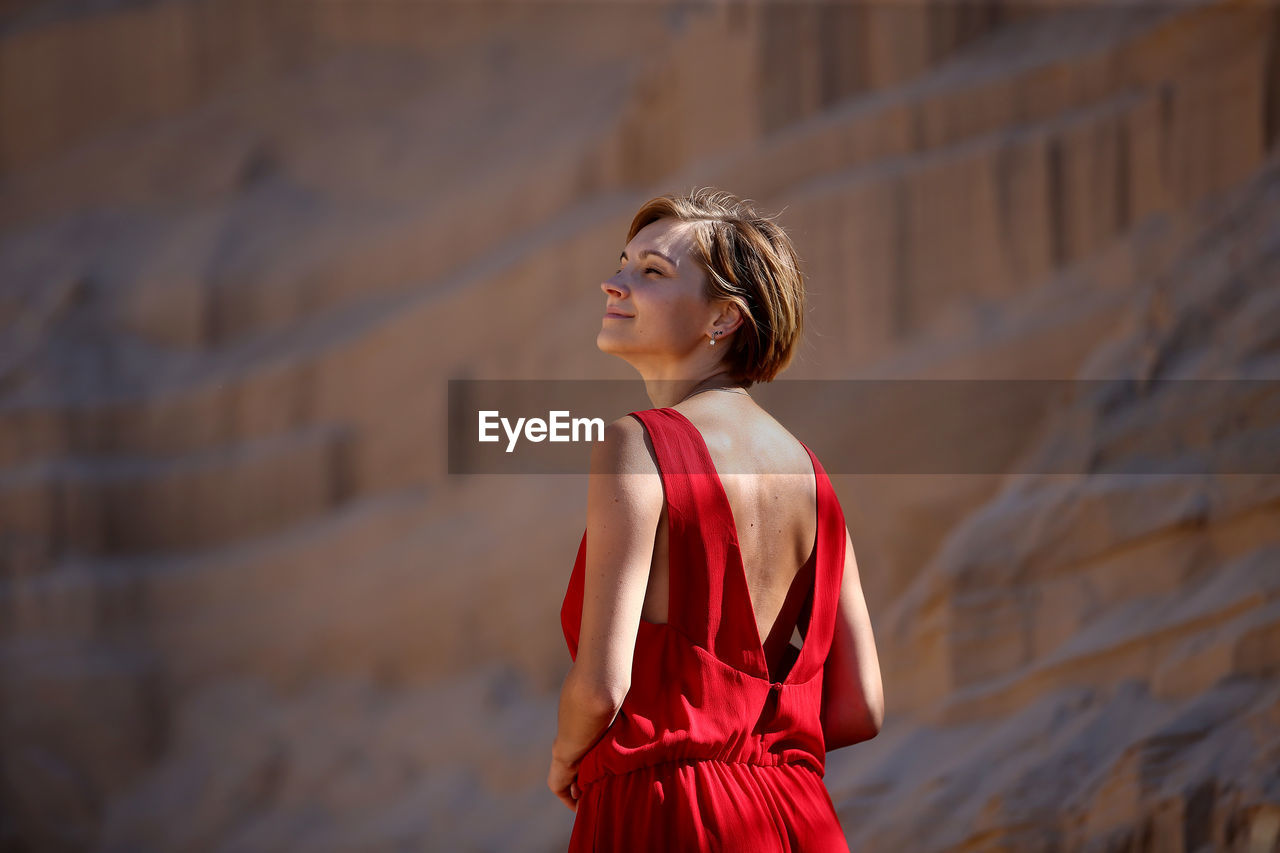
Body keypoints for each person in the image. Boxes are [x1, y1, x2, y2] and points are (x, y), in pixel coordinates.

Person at [550, 187, 884, 851]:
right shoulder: (812, 475)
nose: (612, 283)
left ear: (723, 319)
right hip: (797, 816)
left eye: (651, 272)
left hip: (667, 809)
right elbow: (860, 706)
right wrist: (754, 740)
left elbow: (600, 688)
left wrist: (567, 757)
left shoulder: (637, 443)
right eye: (623, 263)